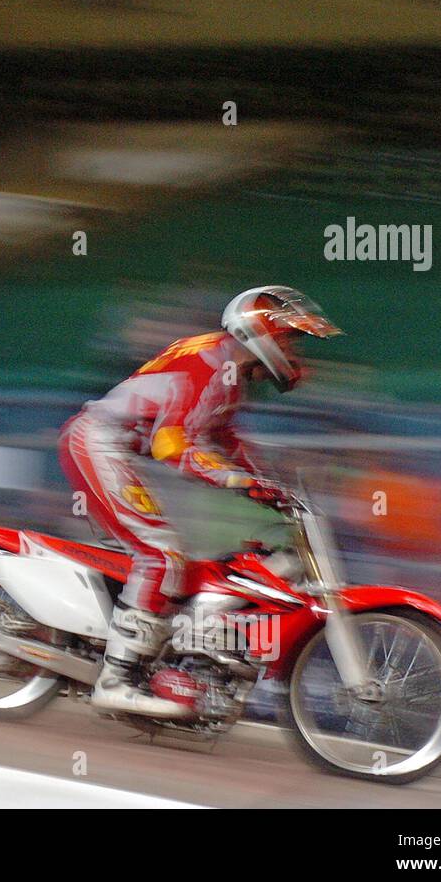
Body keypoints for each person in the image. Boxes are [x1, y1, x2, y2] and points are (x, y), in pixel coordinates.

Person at [58, 285, 341, 715]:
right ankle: (115, 679)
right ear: (260, 331)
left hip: (116, 448)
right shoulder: (210, 363)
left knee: (177, 560)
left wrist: (268, 487)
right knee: (162, 556)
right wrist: (239, 482)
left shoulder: (227, 373)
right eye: (288, 339)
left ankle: (149, 655)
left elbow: (223, 442)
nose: (293, 352)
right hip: (99, 443)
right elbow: (171, 446)